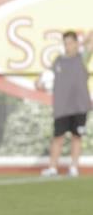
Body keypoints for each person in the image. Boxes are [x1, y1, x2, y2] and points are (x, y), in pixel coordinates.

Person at [37, 31, 90, 177]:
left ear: (76, 43)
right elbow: (45, 79)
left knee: (76, 137)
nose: (68, 46)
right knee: (57, 137)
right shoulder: (58, 60)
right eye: (65, 43)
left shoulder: (82, 58)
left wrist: (83, 42)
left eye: (70, 42)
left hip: (79, 106)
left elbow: (90, 40)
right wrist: (40, 83)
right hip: (62, 107)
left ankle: (74, 167)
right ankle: (53, 167)